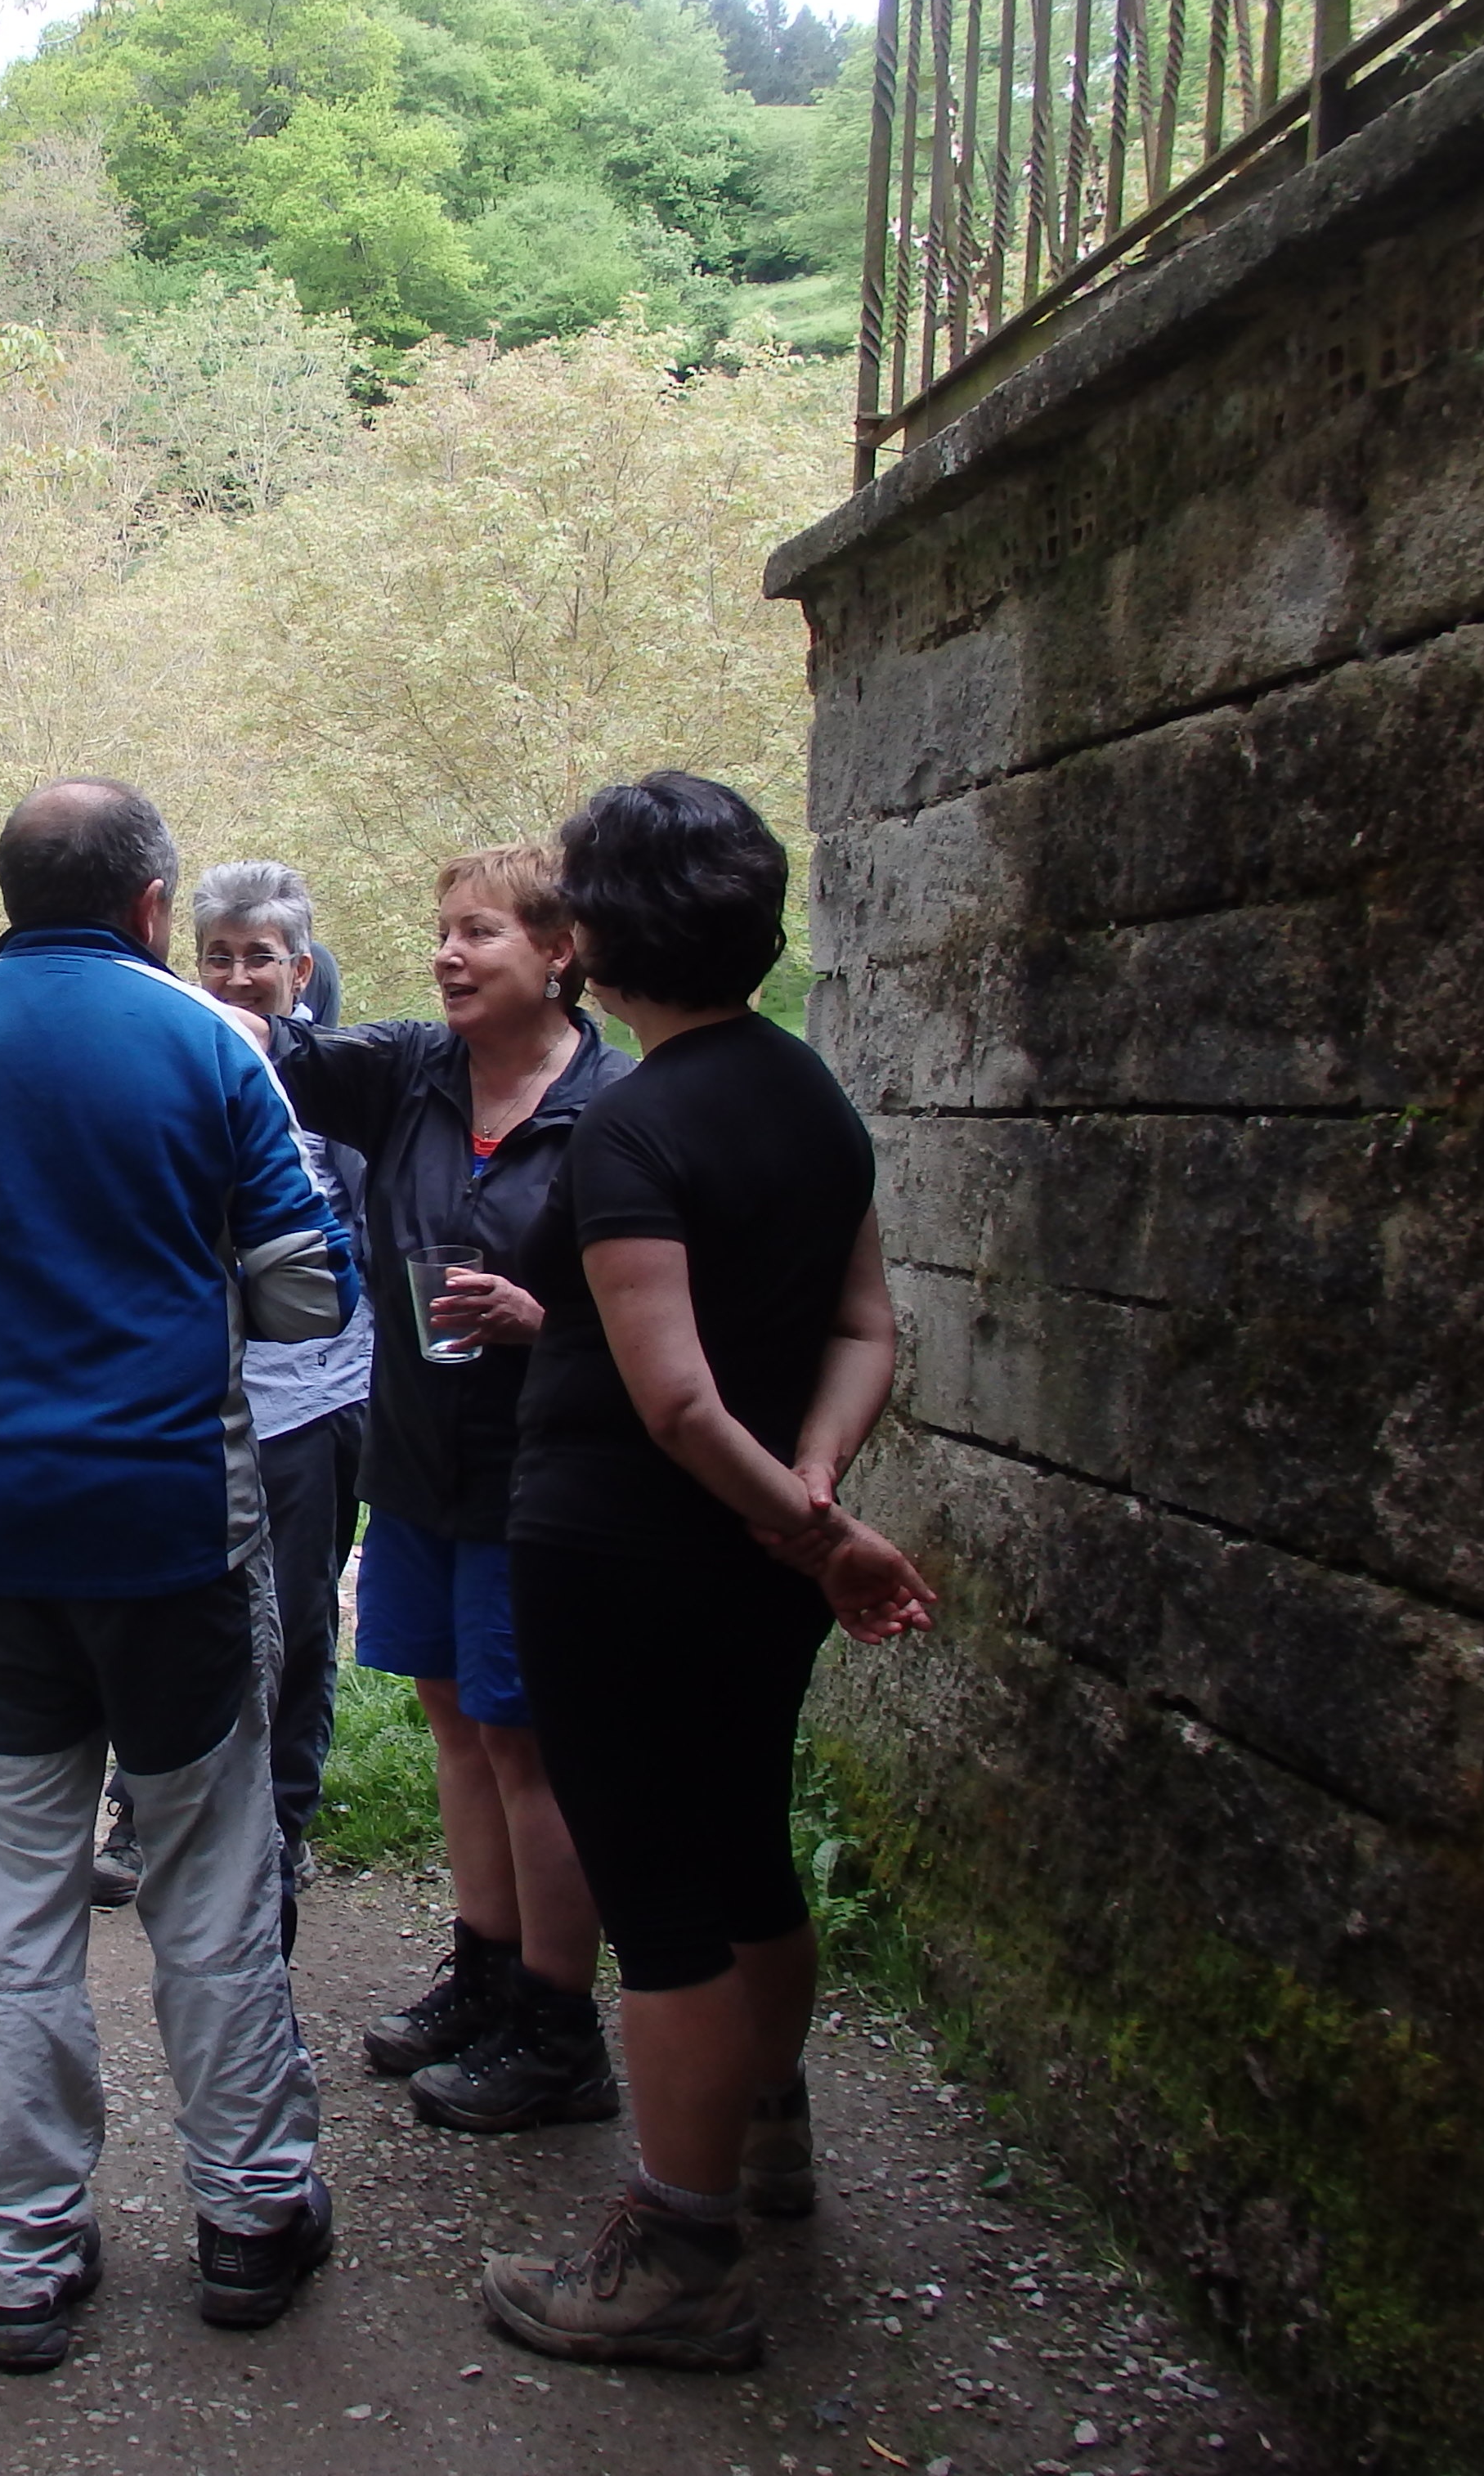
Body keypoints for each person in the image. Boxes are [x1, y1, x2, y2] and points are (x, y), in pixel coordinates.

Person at [0, 779, 357, 2375]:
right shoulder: (210, 1043)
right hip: (180, 1539)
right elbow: (310, 1298)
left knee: (13, 1901)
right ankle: (252, 2217)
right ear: (152, 904)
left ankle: (24, 2262)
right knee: (210, 1877)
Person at [473, 774, 935, 2371]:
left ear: (595, 941)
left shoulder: (633, 1125)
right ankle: (764, 2132)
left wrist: (818, 1530)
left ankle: (682, 2254)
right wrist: (813, 1493)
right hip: (754, 1558)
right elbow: (866, 1325)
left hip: (621, 1556)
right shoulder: (813, 1099)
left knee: (660, 1898)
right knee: (746, 1847)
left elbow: (671, 1403)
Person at [265, 845, 630, 2131]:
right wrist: (142, 975)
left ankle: (560, 2029)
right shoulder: (414, 1072)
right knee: (458, 1724)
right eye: (443, 932)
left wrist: (546, 1319)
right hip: (420, 1465)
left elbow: (669, 1314)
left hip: (542, 1477)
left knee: (530, 1745)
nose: (447, 955)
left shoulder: (614, 1108)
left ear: (559, 952)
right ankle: (484, 1974)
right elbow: (276, 1051)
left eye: (479, 932)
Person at [92, 863, 369, 1927]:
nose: (239, 976)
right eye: (219, 956)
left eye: (261, 957)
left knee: (293, 1624)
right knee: (162, 1607)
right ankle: (143, 1815)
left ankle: (279, 1828)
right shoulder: (164, 1068)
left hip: (311, 1403)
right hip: (181, 1404)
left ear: (301, 968)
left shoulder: (343, 1085)